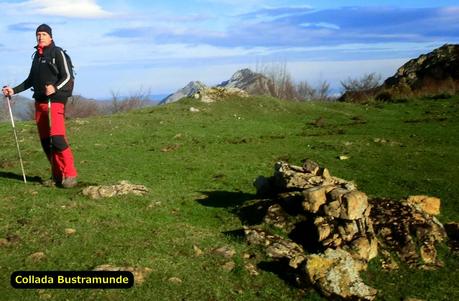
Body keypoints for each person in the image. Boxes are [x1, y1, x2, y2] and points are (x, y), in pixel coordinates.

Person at [2, 24, 78, 188]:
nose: (40, 37)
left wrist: (55, 87)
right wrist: (13, 90)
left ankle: (70, 174)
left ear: (50, 36)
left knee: (56, 138)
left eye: (44, 34)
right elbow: (30, 80)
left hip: (55, 100)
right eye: (38, 34)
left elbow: (67, 76)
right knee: (46, 142)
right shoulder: (37, 56)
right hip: (40, 101)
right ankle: (57, 175)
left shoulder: (57, 52)